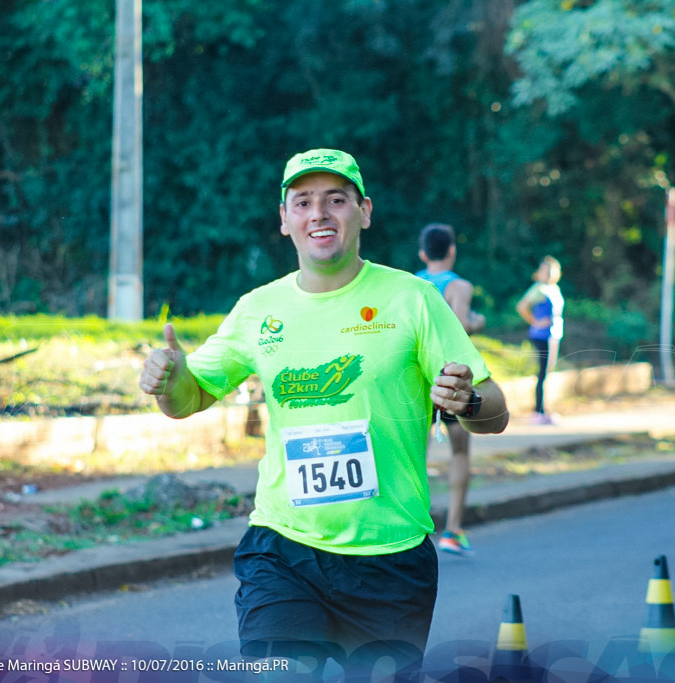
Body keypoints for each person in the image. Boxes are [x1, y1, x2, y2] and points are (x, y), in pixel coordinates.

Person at [139, 148, 509, 679]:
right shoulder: (258, 309)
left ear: (364, 211)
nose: (320, 213)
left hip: (391, 557)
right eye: (304, 202)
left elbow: (495, 412)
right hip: (284, 550)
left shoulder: (413, 300)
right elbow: (187, 399)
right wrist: (168, 382)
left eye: (336, 199)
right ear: (285, 219)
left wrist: (468, 401)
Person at [415, 223, 486, 556]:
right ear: (452, 250)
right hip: (450, 379)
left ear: (423, 253)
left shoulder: (409, 284)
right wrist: (477, 321)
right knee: (459, 452)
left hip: (416, 380)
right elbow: (457, 328)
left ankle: (415, 525)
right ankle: (452, 531)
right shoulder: (460, 286)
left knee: (415, 454)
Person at [515, 256, 564, 425]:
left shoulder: (554, 289)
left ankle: (545, 410)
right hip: (541, 335)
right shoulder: (539, 289)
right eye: (545, 270)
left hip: (553, 335)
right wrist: (535, 321)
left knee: (548, 373)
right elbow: (521, 306)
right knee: (542, 373)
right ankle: (538, 412)